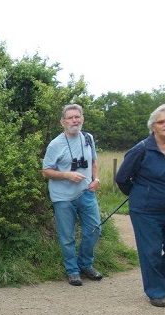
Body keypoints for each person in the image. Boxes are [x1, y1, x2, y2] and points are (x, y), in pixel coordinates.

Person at [115, 104, 165, 308]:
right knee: (150, 251)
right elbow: (122, 178)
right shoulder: (141, 149)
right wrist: (140, 194)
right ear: (153, 126)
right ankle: (155, 291)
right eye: (161, 121)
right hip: (145, 210)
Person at [42, 104, 103, 286]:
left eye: (77, 117)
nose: (74, 120)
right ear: (62, 122)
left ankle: (85, 264)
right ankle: (72, 270)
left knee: (94, 229)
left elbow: (93, 163)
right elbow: (46, 171)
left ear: (82, 119)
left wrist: (96, 180)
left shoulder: (88, 138)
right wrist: (67, 174)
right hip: (63, 197)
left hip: (86, 192)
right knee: (67, 236)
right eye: (70, 118)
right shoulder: (55, 144)